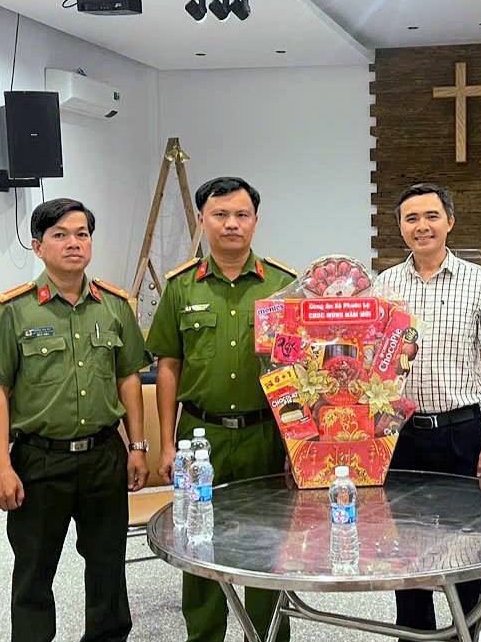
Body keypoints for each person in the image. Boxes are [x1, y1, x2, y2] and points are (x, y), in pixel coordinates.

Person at [0, 198, 150, 642]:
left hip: (103, 455)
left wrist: (137, 446)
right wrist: (2, 467)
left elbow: (128, 378)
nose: (74, 243)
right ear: (38, 246)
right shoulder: (14, 310)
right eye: (60, 235)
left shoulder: (114, 305)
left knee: (108, 565)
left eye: (82, 234)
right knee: (34, 570)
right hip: (40, 459)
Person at [145, 176, 297, 642]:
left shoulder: (284, 285)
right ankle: (204, 634)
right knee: (198, 540)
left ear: (255, 221)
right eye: (220, 215)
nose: (231, 224)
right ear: (201, 220)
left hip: (265, 435)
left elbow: (301, 371)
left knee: (268, 543)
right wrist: (167, 444)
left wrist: (299, 448)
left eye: (241, 215)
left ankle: (268, 634)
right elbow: (168, 367)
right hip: (200, 436)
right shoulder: (180, 287)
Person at [374, 182, 481, 636]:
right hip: (402, 434)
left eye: (431, 216)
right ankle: (415, 634)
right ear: (400, 227)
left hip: (463, 431)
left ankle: (470, 633)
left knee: (469, 548)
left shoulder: (479, 281)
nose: (422, 226)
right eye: (411, 218)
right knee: (406, 550)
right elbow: (372, 363)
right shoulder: (384, 285)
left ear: (449, 221)